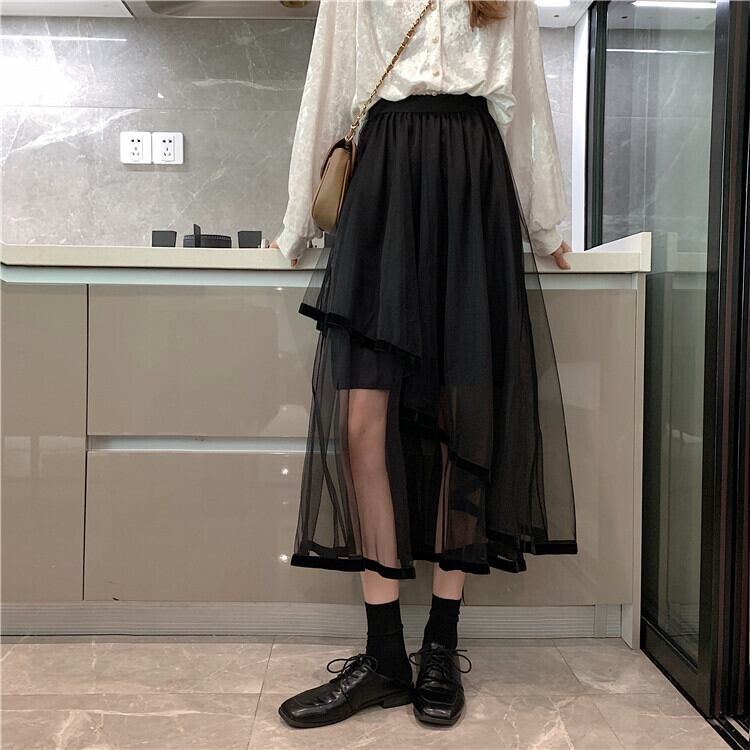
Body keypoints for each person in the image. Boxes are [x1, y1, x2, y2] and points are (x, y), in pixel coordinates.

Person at [271, 0, 577, 729]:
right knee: (362, 423)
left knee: (461, 418)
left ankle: (440, 641)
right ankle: (384, 655)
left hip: (472, 181)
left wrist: (547, 226)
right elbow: (327, 86)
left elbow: (525, 101)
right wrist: (295, 224)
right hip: (384, 183)